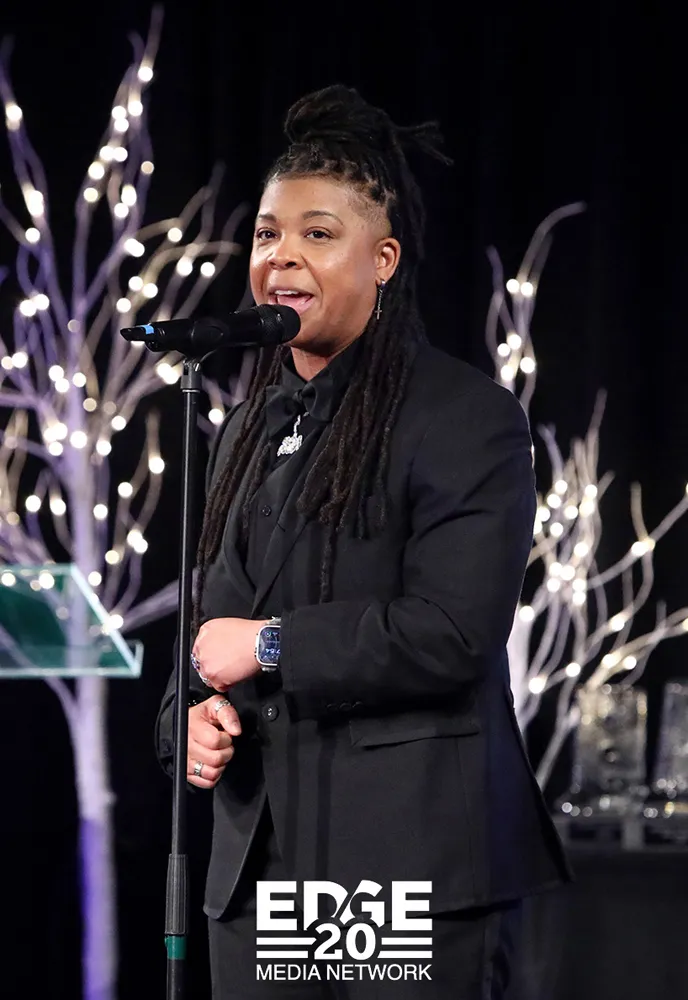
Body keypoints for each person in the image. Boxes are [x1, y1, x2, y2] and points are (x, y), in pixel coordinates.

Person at [155, 84, 570, 999]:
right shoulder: (246, 428)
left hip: (401, 862)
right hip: (258, 870)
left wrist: (270, 646)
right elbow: (208, 631)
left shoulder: (461, 416)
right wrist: (187, 720)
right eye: (268, 234)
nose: (282, 256)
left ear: (383, 260)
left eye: (318, 233)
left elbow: (453, 632)